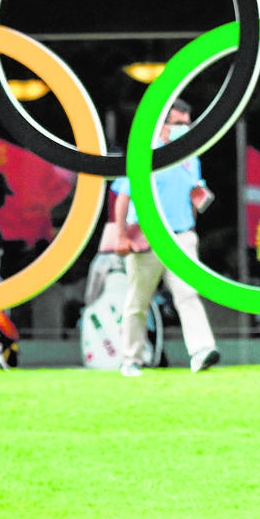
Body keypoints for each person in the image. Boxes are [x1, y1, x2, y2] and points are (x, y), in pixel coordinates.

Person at [111, 98, 220, 377]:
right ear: (163, 124)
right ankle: (130, 359)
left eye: (187, 123)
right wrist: (121, 234)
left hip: (181, 235)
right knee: (137, 301)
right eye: (178, 124)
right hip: (147, 236)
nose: (185, 129)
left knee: (188, 294)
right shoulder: (144, 153)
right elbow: (124, 196)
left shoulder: (189, 157)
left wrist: (197, 207)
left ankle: (201, 351)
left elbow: (194, 192)